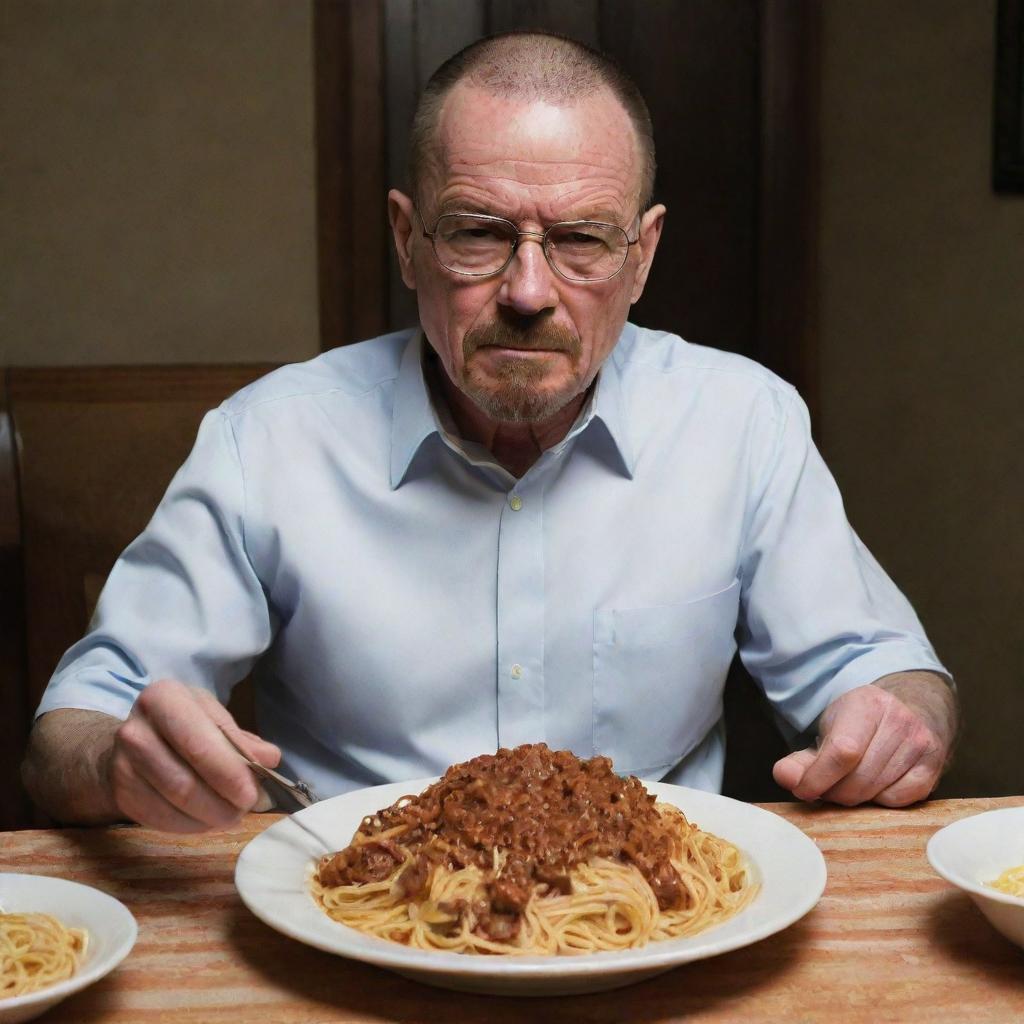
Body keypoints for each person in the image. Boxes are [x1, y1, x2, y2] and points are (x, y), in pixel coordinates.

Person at [22, 32, 957, 833]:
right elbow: (69, 733)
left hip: (664, 924)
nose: (527, 291)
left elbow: (885, 676)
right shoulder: (264, 443)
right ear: (406, 238)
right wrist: (117, 763)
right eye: (478, 232)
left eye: (584, 240)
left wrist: (898, 722)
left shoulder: (744, 424)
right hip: (353, 925)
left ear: (645, 255)